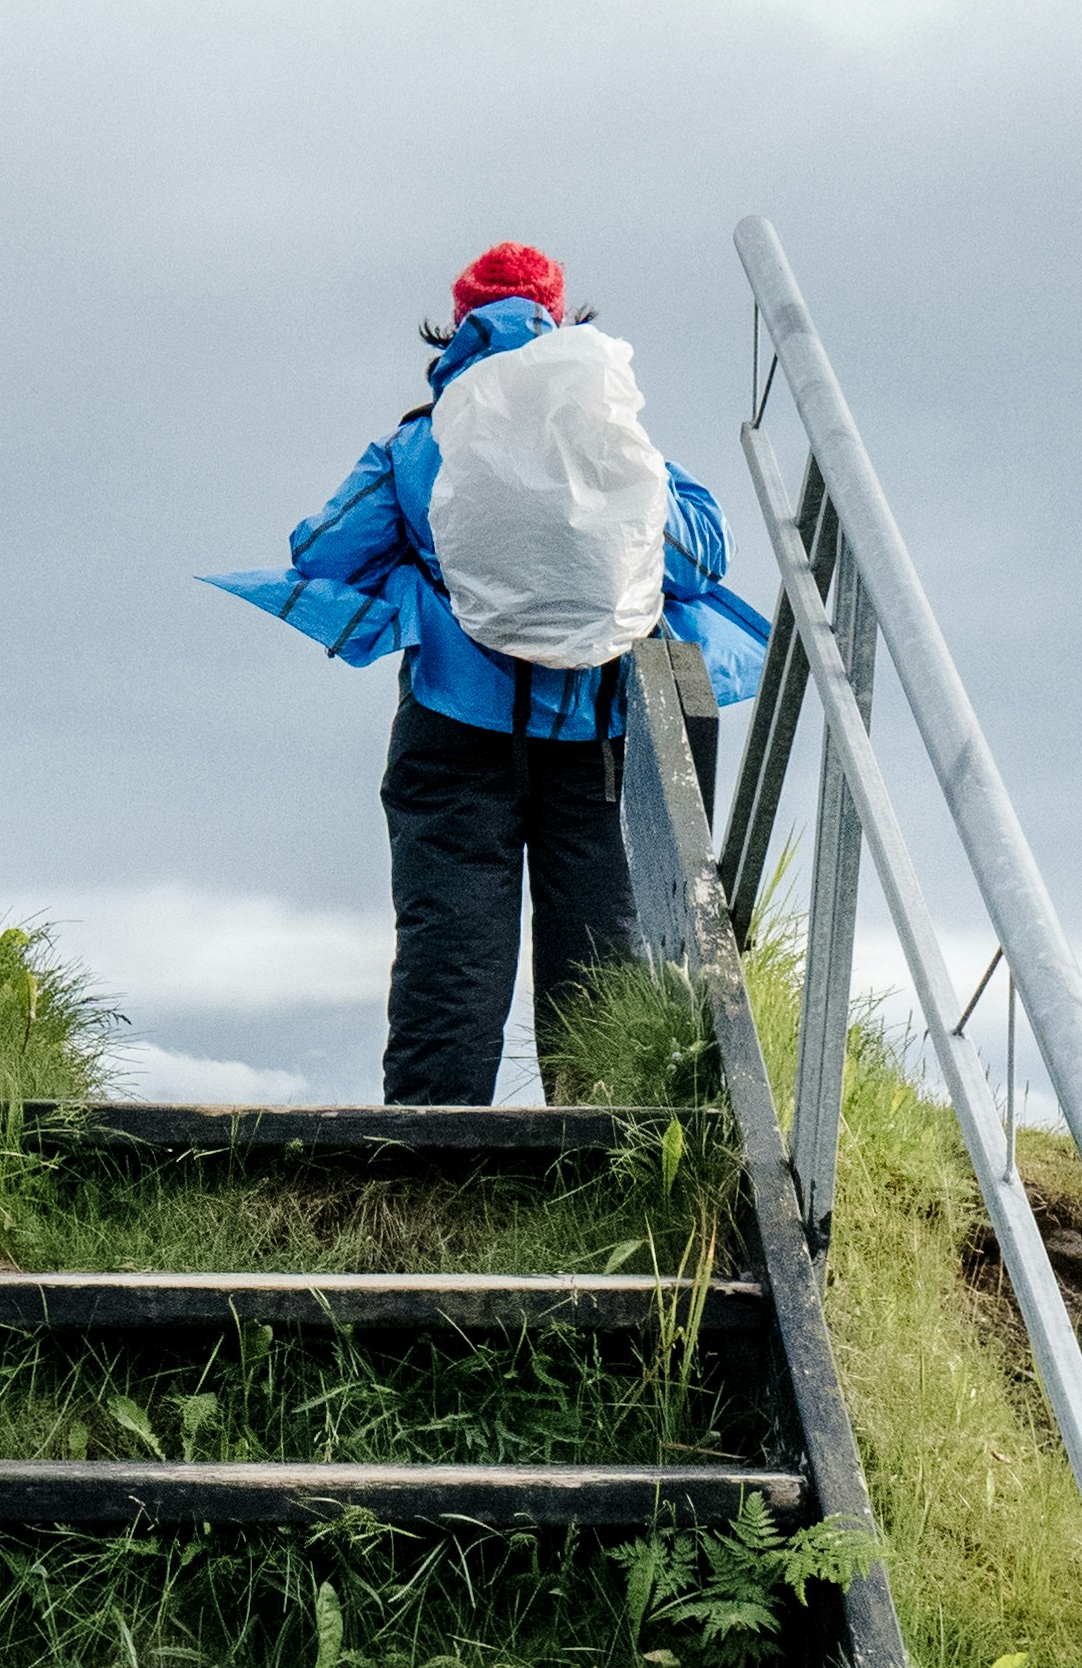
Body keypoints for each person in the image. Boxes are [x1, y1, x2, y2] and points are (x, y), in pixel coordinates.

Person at [209, 242, 766, 1102]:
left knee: (449, 955)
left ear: (459, 326)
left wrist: (417, 569)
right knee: (600, 963)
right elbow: (703, 554)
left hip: (453, 729)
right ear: (561, 321)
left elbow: (323, 551)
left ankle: (433, 1178)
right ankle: (602, 1174)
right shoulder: (613, 438)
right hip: (602, 741)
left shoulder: (417, 440)